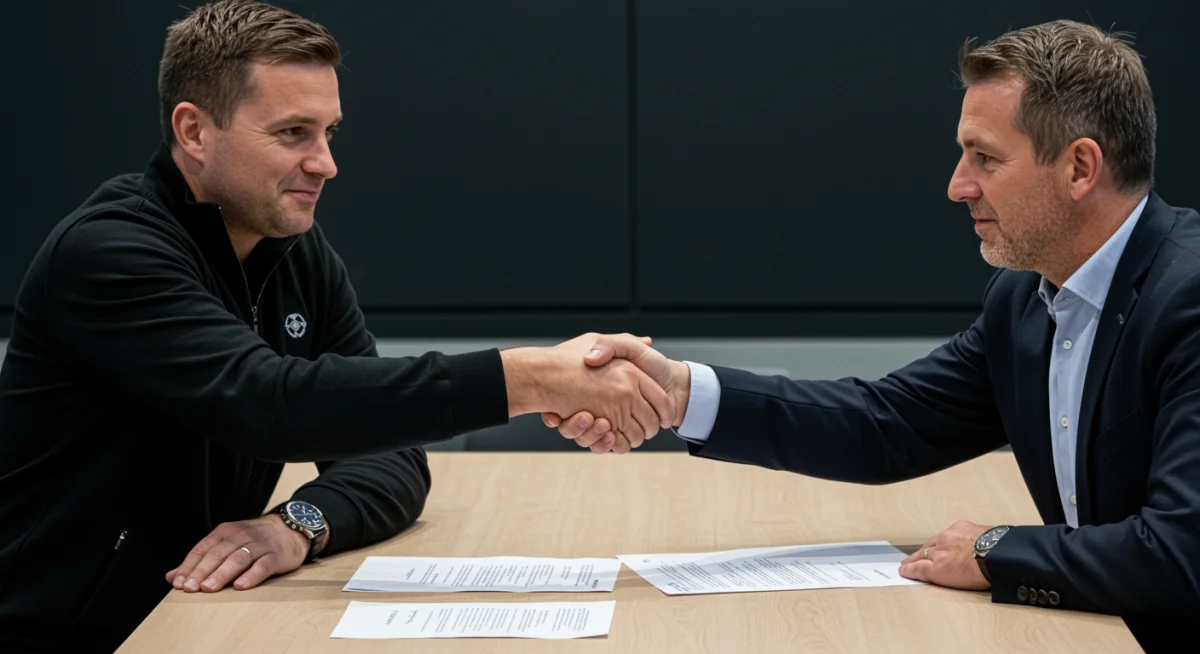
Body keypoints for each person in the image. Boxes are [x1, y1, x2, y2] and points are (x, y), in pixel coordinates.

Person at [0, 2, 673, 652]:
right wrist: (527, 379)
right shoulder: (109, 253)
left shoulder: (293, 249)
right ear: (194, 131)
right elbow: (270, 402)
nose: (326, 163)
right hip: (70, 635)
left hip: (204, 619)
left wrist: (299, 524)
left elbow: (389, 451)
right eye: (293, 133)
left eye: (329, 133)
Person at [548, 19, 1194, 652]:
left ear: (1080, 168)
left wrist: (996, 550)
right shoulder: (1026, 297)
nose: (957, 186)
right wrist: (679, 392)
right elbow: (887, 424)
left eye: (986, 159)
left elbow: (1179, 553)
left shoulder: (1187, 299)